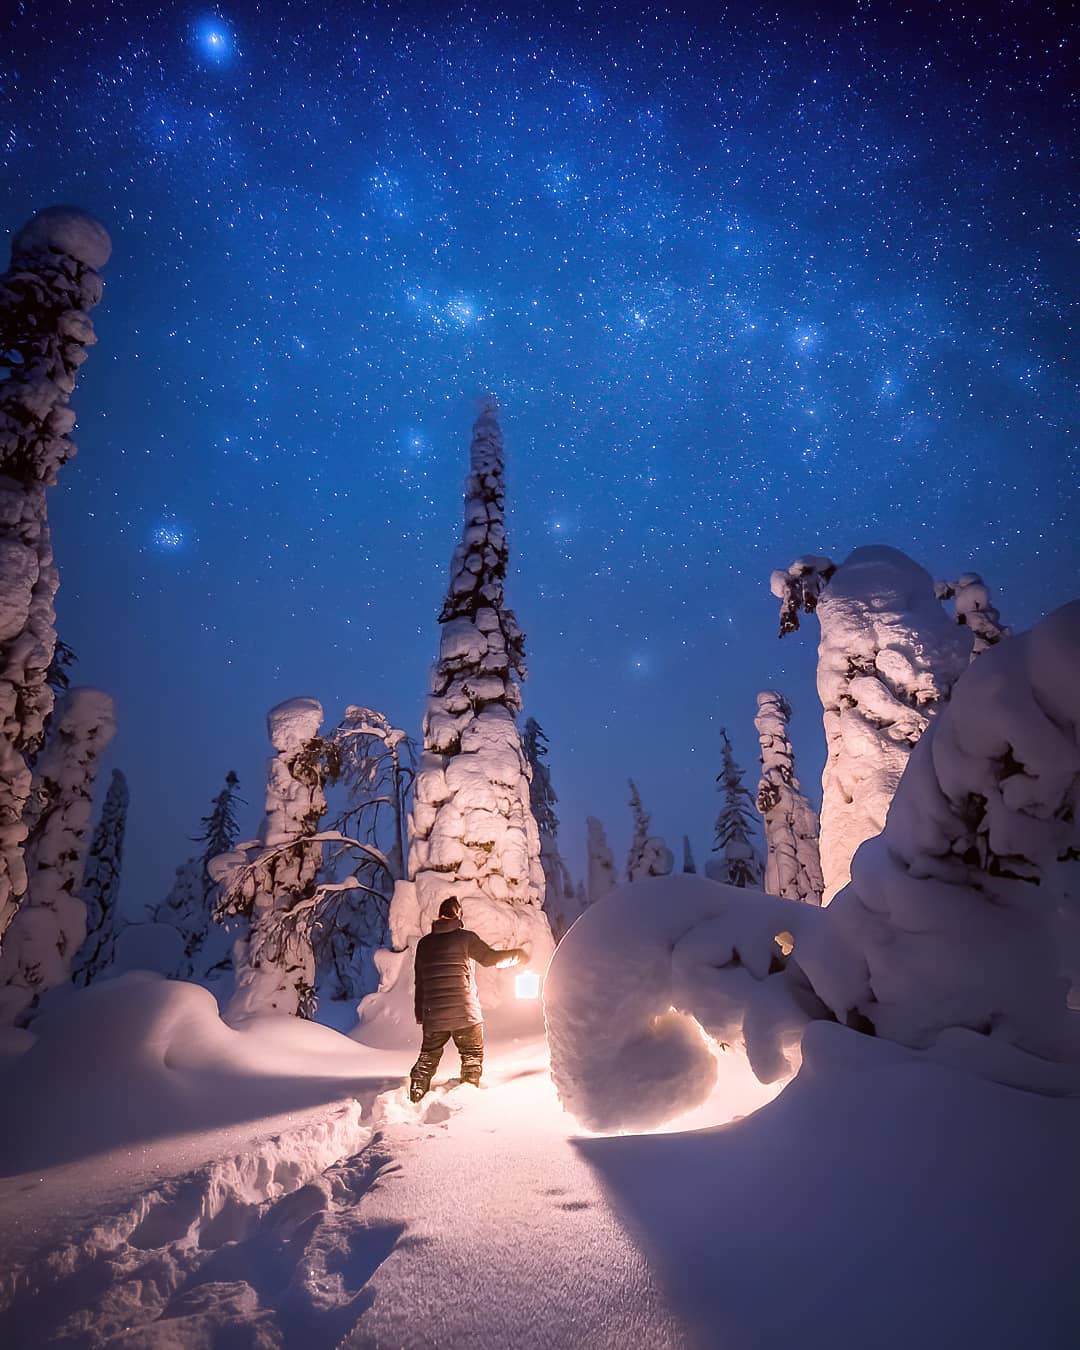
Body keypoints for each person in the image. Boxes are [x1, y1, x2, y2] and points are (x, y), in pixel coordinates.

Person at [409, 897, 527, 1102]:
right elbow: (490, 958)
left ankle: (417, 1093)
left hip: (434, 1016)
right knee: (471, 1057)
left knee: (428, 1057)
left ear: (440, 915)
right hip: (465, 1013)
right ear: (459, 915)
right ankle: (467, 1100)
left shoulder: (425, 944)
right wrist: (518, 955)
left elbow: (420, 982)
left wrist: (421, 1015)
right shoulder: (465, 938)